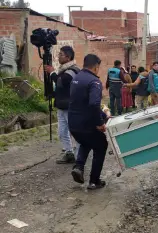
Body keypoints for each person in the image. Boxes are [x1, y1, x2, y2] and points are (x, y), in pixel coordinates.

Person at [69, 54, 109, 190]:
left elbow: (82, 103)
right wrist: (100, 122)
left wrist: (104, 115)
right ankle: (94, 181)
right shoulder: (94, 82)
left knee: (86, 142)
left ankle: (78, 167)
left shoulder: (76, 78)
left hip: (74, 124)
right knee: (101, 145)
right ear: (96, 66)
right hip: (87, 124)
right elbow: (93, 104)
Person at [44, 46, 80, 164]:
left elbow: (61, 82)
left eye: (61, 55)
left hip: (70, 107)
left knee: (74, 132)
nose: (58, 57)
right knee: (62, 132)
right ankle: (69, 153)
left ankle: (80, 156)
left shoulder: (73, 70)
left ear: (68, 57)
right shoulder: (63, 69)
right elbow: (62, 89)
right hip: (61, 106)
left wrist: (52, 72)